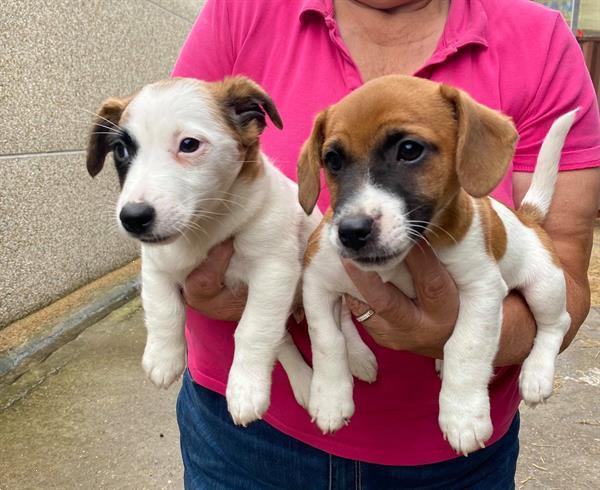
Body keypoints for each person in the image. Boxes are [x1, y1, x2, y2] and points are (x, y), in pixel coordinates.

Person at [172, 0, 600, 488]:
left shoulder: (537, 38)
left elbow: (565, 272)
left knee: (544, 291)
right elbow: (165, 166)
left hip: (450, 458)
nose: (356, 213)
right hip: (244, 432)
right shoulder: (240, 11)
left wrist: (460, 346)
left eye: (410, 150)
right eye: (335, 161)